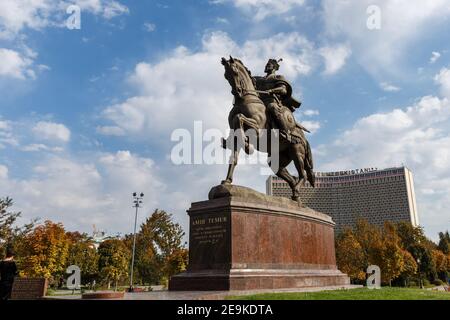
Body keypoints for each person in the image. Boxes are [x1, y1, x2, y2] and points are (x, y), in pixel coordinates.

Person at [253, 58, 306, 143]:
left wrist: (272, 91)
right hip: (260, 102)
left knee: (272, 107)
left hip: (272, 101)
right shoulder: (259, 79)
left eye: (269, 65)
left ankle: (286, 133)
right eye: (266, 65)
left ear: (274, 67)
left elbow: (283, 90)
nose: (266, 66)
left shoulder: (278, 77)